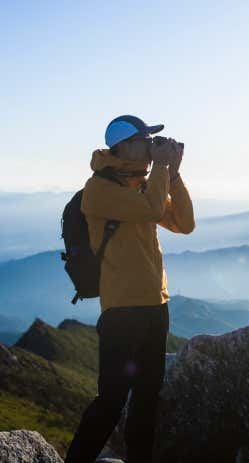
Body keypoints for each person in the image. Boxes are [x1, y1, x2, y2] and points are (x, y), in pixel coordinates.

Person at [65, 115, 195, 463]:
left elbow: (185, 223)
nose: (152, 149)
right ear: (122, 146)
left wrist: (175, 175)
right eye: (145, 141)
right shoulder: (99, 191)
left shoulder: (141, 183)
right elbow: (153, 208)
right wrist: (162, 170)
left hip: (156, 305)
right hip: (122, 312)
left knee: (147, 401)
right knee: (110, 402)